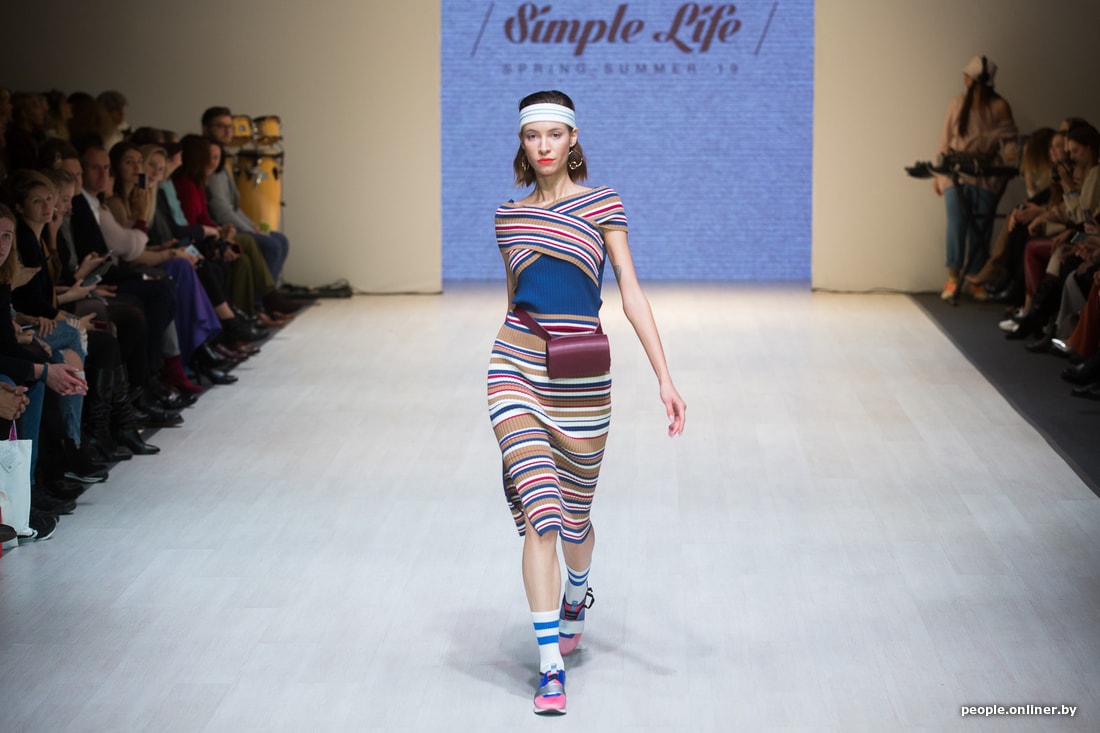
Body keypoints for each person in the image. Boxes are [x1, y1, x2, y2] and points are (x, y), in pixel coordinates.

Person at [487, 90, 686, 715]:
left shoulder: (603, 205)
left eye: (554, 134)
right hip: (516, 365)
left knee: (574, 521)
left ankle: (577, 590)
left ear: (573, 139)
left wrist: (664, 377)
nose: (543, 146)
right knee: (541, 516)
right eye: (532, 136)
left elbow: (631, 293)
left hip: (582, 379)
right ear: (522, 143)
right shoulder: (508, 217)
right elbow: (517, 299)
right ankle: (550, 667)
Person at [933, 55, 1018, 300]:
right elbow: (945, 139)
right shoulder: (957, 103)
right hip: (957, 172)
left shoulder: (1000, 106)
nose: (964, 79)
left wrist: (1011, 162)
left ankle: (975, 278)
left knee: (982, 226)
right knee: (956, 225)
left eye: (967, 76)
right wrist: (938, 173)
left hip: (987, 173)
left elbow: (1010, 140)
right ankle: (953, 277)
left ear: (976, 80)